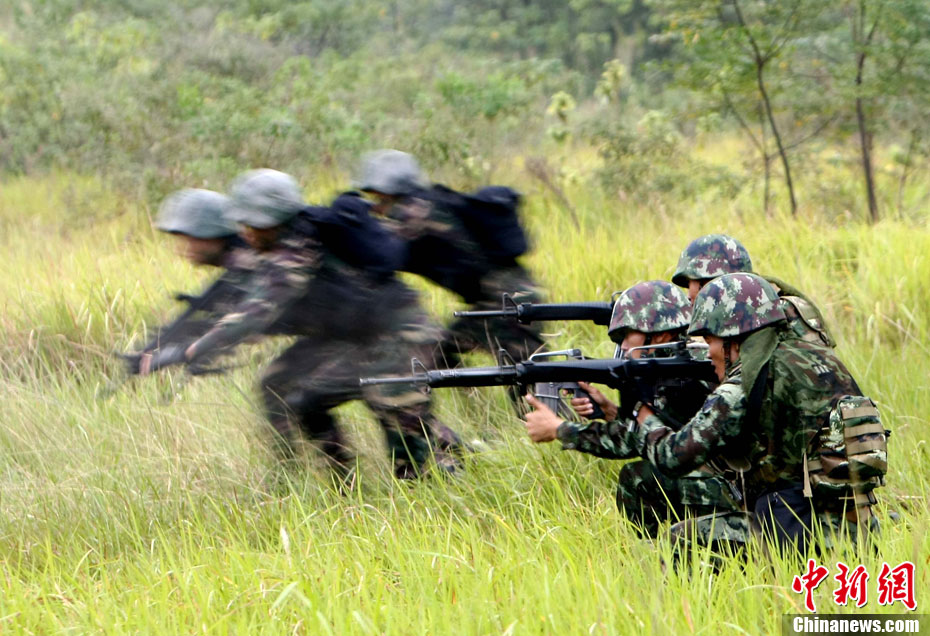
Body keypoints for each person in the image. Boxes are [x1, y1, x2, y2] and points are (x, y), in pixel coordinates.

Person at [141, 170, 462, 481]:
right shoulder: (277, 248)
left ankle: (449, 466)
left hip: (400, 338)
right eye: (243, 224)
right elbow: (241, 302)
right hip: (356, 338)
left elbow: (256, 312)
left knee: (406, 448)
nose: (247, 233)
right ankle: (339, 482)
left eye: (255, 225)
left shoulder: (295, 253)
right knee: (293, 393)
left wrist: (192, 350)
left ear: (275, 224)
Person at [570, 273, 878, 554]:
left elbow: (673, 457)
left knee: (677, 540)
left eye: (710, 340)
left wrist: (641, 411)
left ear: (733, 338)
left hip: (802, 533)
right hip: (856, 526)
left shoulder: (744, 384)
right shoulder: (810, 356)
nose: (708, 352)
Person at [524, 281, 740, 537]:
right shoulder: (682, 363)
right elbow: (666, 429)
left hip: (737, 487)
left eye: (628, 334)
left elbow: (632, 441)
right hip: (729, 475)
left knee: (637, 478)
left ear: (660, 335)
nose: (624, 346)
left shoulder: (683, 376)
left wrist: (560, 429)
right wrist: (610, 412)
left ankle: (656, 549)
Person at [354, 149, 546, 367]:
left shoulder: (416, 213)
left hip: (510, 303)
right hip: (498, 301)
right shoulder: (429, 203)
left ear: (391, 190)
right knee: (437, 354)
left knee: (532, 377)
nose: (376, 206)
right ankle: (465, 386)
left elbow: (381, 249)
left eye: (379, 198)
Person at [672, 234, 834, 347]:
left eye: (690, 283)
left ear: (711, 282)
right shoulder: (725, 316)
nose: (689, 295)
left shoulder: (778, 312)